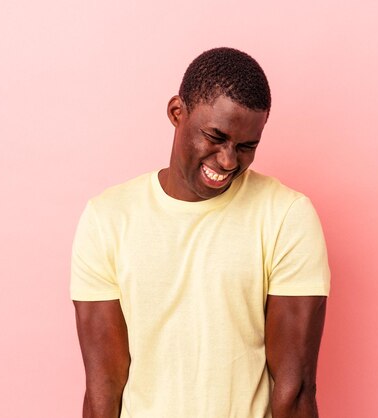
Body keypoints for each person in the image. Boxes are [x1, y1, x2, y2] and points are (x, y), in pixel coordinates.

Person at [71, 47, 331, 418]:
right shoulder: (107, 219)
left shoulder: (287, 216)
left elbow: (295, 389)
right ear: (177, 113)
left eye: (246, 147)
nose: (228, 161)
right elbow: (102, 389)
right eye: (215, 136)